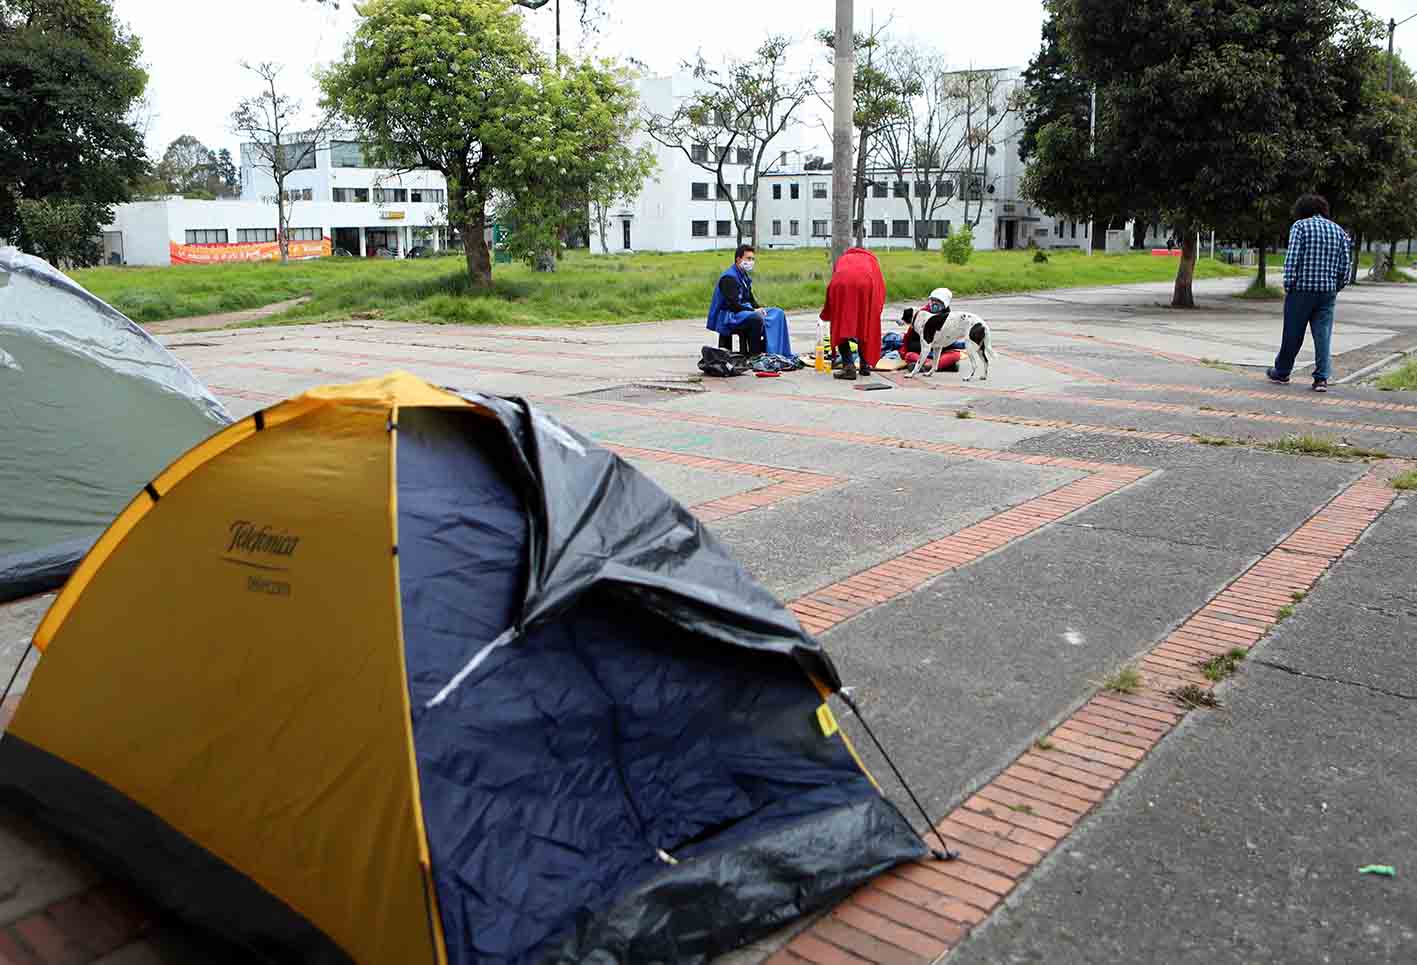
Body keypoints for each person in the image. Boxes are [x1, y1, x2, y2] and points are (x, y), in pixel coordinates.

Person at [1267, 194, 1350, 393]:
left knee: (1293, 333)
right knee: (1323, 335)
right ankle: (1321, 378)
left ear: (1302, 210)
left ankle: (1282, 372)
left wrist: (1289, 284)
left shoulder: (1300, 227)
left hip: (1301, 290)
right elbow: (1345, 265)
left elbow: (1292, 257)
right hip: (1327, 292)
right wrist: (1336, 286)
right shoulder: (1338, 230)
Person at [706, 244, 792, 357]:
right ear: (738, 259)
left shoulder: (744, 276)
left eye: (753, 259)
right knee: (756, 318)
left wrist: (758, 308)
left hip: (743, 311)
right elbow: (733, 305)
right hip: (729, 315)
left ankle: (777, 351)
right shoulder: (729, 278)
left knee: (778, 313)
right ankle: (754, 355)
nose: (751, 262)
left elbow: (750, 299)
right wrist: (753, 311)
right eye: (748, 258)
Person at [819, 247, 885, 380]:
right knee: (865, 324)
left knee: (841, 325)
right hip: (866, 286)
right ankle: (865, 365)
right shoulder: (871, 260)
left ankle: (848, 366)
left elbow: (835, 279)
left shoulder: (844, 259)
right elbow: (880, 287)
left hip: (841, 286)